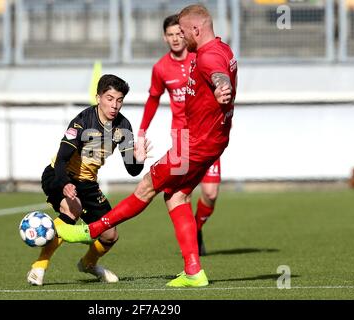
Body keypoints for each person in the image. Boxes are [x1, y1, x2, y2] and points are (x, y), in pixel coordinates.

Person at [56, 4, 237, 288]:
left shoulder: (208, 56)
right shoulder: (222, 48)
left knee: (147, 186)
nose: (181, 38)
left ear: (196, 30)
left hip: (193, 145)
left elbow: (217, 74)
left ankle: (91, 230)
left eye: (183, 33)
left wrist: (221, 84)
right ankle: (193, 271)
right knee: (176, 197)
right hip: (211, 142)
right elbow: (216, 70)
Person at [27, 74, 149, 285]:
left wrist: (139, 159)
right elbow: (62, 157)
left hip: (88, 184)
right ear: (98, 97)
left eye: (119, 100)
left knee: (110, 235)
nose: (114, 105)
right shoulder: (82, 121)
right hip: (59, 175)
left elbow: (132, 170)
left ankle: (88, 264)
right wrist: (65, 184)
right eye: (109, 98)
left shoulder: (123, 126)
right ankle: (39, 266)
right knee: (72, 209)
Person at [138, 14, 223, 257]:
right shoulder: (161, 68)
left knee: (211, 193)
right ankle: (191, 250)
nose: (175, 39)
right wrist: (142, 132)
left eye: (179, 33)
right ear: (165, 38)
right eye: (170, 35)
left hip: (207, 134)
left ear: (185, 34)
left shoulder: (201, 58)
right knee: (181, 193)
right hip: (183, 139)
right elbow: (153, 99)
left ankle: (197, 228)